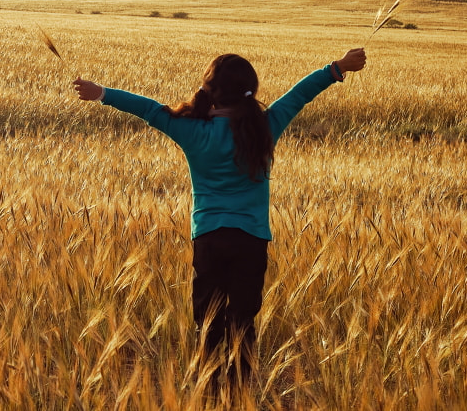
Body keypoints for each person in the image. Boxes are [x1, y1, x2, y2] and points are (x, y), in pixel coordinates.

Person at [73, 48, 366, 394]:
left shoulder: (192, 130)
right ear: (251, 91)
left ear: (210, 90)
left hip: (209, 238)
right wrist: (337, 68)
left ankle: (208, 391)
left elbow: (149, 109)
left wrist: (101, 93)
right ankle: (239, 392)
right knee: (243, 322)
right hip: (251, 239)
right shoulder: (265, 127)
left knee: (208, 323)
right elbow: (299, 95)